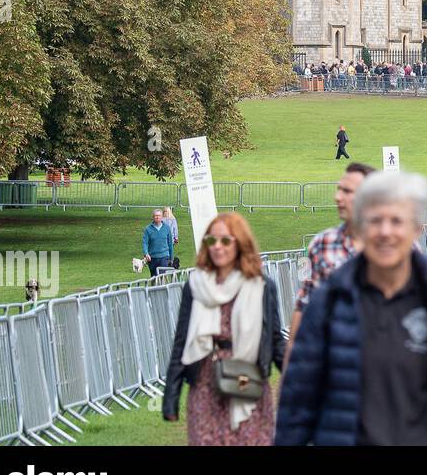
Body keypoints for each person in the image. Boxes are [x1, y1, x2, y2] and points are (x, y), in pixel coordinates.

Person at [275, 171, 427, 446]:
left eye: (397, 221)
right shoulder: (329, 303)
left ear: (417, 228)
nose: (385, 231)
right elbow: (298, 403)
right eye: (375, 220)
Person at [163, 211, 285, 445]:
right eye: (211, 240)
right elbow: (182, 341)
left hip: (246, 381)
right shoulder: (196, 287)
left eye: (225, 240)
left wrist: (296, 376)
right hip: (205, 383)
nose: (217, 247)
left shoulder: (260, 286)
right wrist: (171, 396)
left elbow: (274, 337)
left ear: (240, 243)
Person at [287, 162, 373, 363]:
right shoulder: (321, 244)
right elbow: (303, 304)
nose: (337, 197)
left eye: (347, 191)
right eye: (338, 189)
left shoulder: (399, 247)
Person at [142, 208, 175, 277]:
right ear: (153, 217)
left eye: (159, 215)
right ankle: (154, 287)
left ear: (162, 217)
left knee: (161, 276)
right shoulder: (148, 229)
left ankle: (162, 287)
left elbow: (170, 243)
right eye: (155, 216)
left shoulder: (167, 228)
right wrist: (146, 253)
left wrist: (171, 258)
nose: (157, 217)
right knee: (154, 277)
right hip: (152, 257)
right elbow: (145, 242)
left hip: (164, 256)